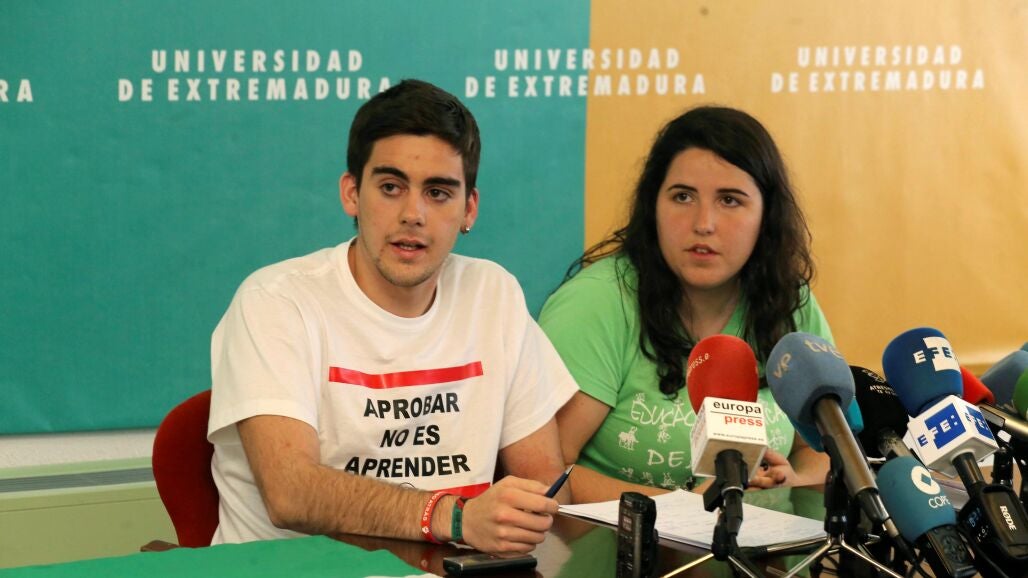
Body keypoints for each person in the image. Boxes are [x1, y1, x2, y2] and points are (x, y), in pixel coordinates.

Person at [207, 79, 577, 554]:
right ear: (351, 194)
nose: (412, 214)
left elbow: (545, 484)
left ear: (469, 209)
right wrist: (454, 517)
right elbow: (290, 493)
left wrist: (522, 515)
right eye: (390, 187)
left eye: (438, 193)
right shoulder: (275, 301)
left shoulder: (494, 294)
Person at [538, 106, 832, 504]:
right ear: (653, 207)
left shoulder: (788, 301)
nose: (703, 223)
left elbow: (821, 447)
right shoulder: (595, 304)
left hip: (770, 543)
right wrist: (686, 511)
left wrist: (793, 479)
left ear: (766, 215)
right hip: (626, 542)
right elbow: (542, 473)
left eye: (730, 200)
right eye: (683, 196)